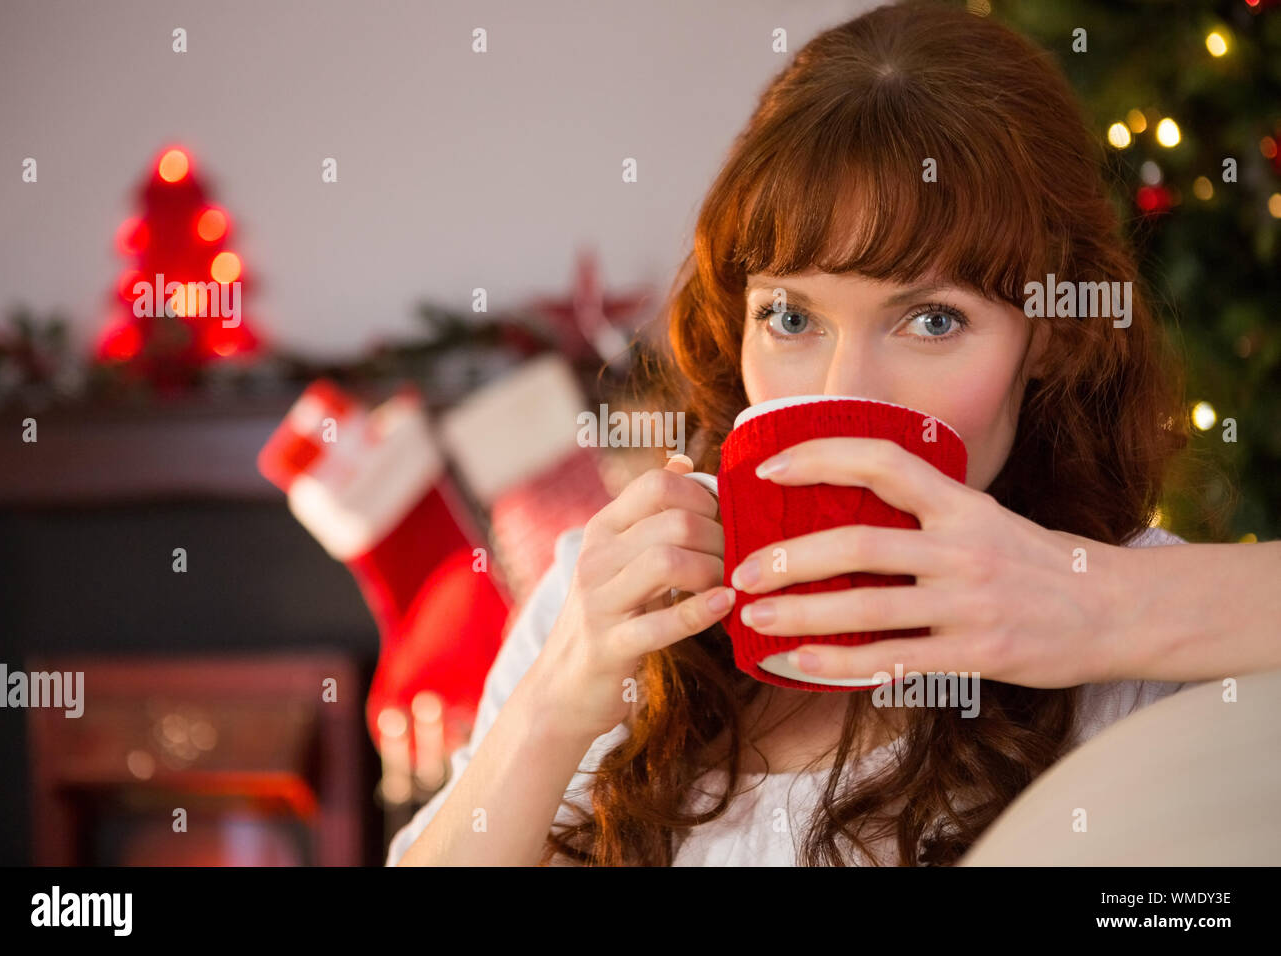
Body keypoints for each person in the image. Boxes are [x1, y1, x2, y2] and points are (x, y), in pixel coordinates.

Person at [391, 0, 1280, 867]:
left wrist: (1108, 605)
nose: (840, 392)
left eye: (932, 321)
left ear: (1049, 333)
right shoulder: (609, 598)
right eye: (789, 316)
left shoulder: (1137, 643)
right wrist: (550, 714)